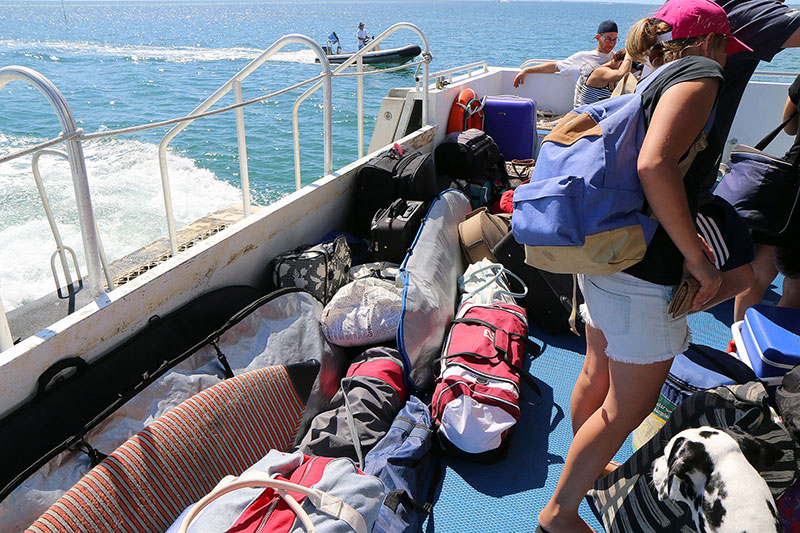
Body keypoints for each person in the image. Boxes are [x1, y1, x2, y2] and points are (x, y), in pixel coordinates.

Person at [534, 1, 752, 532]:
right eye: (725, 46)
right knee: (625, 409)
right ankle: (560, 513)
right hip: (642, 270)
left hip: (605, 252)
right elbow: (654, 165)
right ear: (707, 42)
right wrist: (700, 262)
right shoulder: (699, 73)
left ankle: (582, 469)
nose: (726, 59)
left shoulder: (643, 74)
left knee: (596, 369)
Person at [732, 74, 800, 328]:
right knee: (796, 282)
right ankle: (768, 346)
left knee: (759, 273)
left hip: (790, 181)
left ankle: (738, 341)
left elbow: (789, 127)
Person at [513, 20, 618, 89]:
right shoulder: (581, 57)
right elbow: (555, 66)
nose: (611, 43)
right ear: (598, 37)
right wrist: (527, 70)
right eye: (608, 39)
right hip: (585, 108)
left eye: (614, 40)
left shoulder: (617, 59)